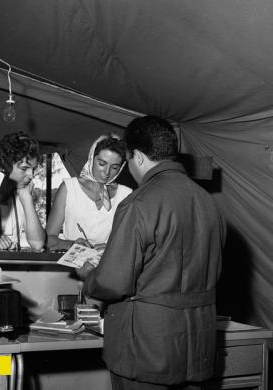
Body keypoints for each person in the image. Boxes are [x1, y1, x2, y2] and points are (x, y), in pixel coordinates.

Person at [77, 116, 226, 390]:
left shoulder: (139, 203)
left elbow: (112, 282)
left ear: (138, 157)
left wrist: (89, 276)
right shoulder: (209, 203)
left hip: (146, 350)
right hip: (198, 347)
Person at [46, 134, 132, 251]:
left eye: (114, 167)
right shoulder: (69, 188)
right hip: (72, 266)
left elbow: (131, 241)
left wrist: (112, 248)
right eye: (102, 164)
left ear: (121, 167)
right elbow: (48, 239)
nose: (106, 172)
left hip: (108, 266)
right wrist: (70, 245)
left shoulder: (125, 194)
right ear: (91, 158)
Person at [0, 132, 45, 251]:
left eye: (33, 169)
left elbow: (38, 243)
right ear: (5, 165)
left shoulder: (20, 195)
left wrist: (27, 199)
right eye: (24, 168)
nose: (31, 175)